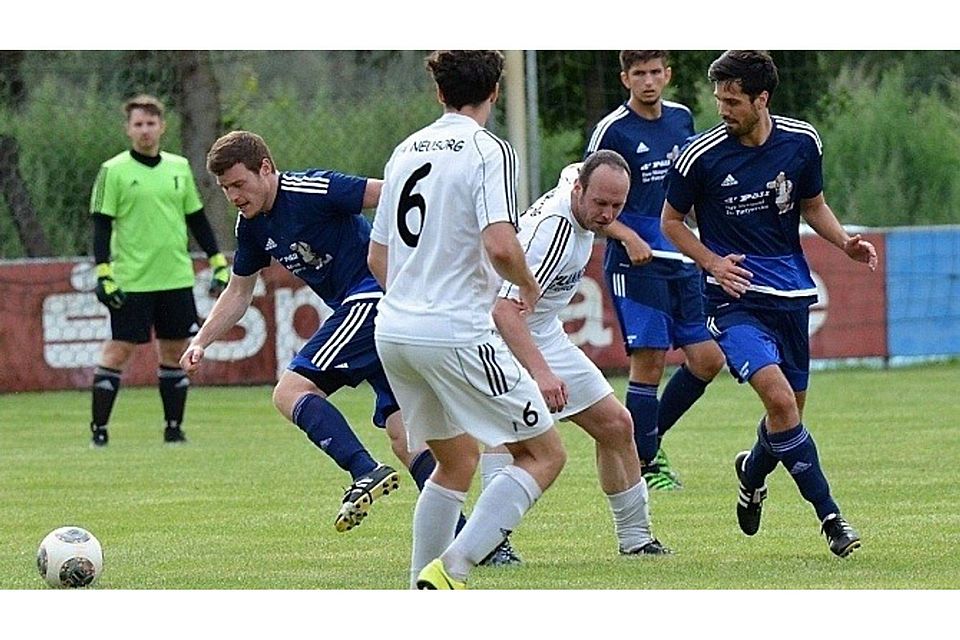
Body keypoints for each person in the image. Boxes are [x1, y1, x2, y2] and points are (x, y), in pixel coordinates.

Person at [661, 50, 875, 557]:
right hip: (732, 300)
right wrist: (712, 262)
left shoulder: (802, 142)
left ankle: (752, 471)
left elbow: (813, 206)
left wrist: (844, 242)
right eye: (719, 99)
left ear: (762, 99)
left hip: (790, 295)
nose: (723, 110)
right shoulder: (701, 156)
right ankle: (832, 520)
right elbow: (671, 221)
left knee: (788, 417)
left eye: (733, 101)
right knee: (779, 402)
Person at [368, 50, 567, 589]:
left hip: (395, 333)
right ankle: (453, 569)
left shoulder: (405, 149)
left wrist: (416, 299)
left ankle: (420, 592)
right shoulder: (489, 150)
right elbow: (502, 244)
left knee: (454, 462)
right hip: (455, 333)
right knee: (544, 453)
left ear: (439, 93)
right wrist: (527, 283)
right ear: (496, 91)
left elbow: (377, 257)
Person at [181, 130, 406, 534]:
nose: (233, 195)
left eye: (239, 184)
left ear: (265, 169)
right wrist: (201, 340)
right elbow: (238, 291)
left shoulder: (312, 188)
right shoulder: (250, 226)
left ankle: (364, 470)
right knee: (405, 436)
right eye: (225, 188)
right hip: (367, 312)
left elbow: (392, 194)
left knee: (290, 391)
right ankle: (480, 542)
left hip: (373, 299)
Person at [492, 151, 671, 556]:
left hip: (545, 332)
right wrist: (542, 374)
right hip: (504, 338)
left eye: (617, 206)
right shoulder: (553, 233)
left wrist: (624, 233)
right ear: (578, 191)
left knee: (616, 425)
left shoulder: (582, 179)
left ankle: (636, 540)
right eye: (600, 204)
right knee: (508, 437)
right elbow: (503, 310)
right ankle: (490, 543)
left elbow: (584, 170)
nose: (607, 215)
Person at [585, 51, 725, 490]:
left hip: (679, 255)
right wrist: (626, 235)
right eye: (638, 73)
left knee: (707, 359)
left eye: (655, 72)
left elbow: (690, 186)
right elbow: (588, 197)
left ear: (668, 74)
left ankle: (646, 442)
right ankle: (647, 464)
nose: (648, 81)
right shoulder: (613, 130)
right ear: (625, 78)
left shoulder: (682, 120)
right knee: (649, 362)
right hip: (636, 261)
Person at [89, 94, 230, 447]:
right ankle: (99, 432)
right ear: (128, 129)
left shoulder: (178, 168)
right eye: (138, 124)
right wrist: (104, 273)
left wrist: (217, 261)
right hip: (132, 280)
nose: (145, 130)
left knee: (173, 352)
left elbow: (196, 219)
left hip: (175, 278)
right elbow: (101, 226)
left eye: (151, 123)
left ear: (162, 127)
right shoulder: (113, 171)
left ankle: (173, 430)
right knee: (118, 351)